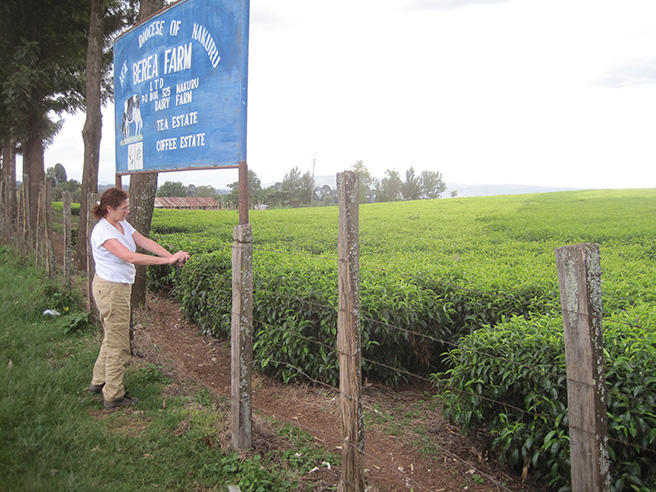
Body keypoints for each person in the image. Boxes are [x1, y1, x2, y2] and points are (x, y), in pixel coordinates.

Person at [88, 187, 190, 409]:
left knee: (111, 335)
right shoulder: (103, 232)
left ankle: (99, 381)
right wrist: (167, 262)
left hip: (118, 288)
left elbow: (143, 241)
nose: (128, 211)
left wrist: (171, 255)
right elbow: (130, 256)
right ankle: (113, 395)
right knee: (118, 343)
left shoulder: (122, 225)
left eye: (128, 207)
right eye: (124, 208)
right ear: (109, 209)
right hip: (111, 290)